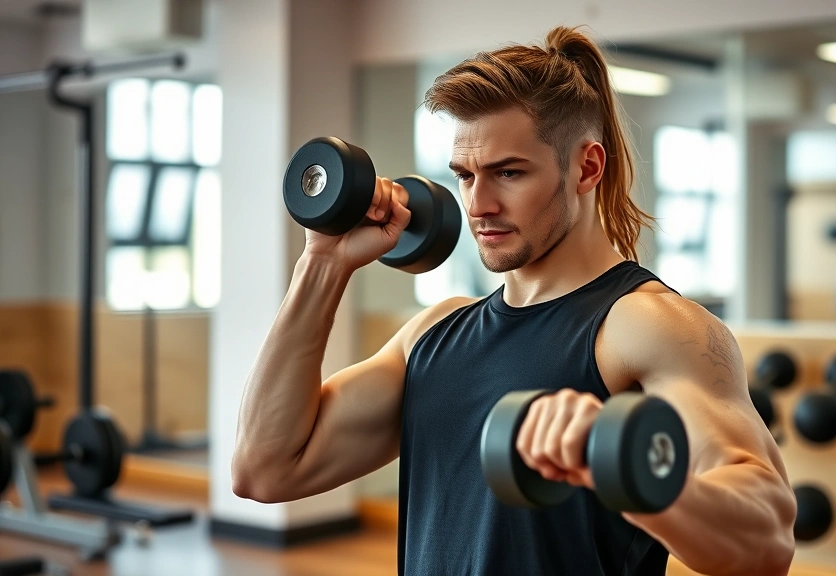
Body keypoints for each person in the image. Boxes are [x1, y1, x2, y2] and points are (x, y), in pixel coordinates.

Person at [232, 26, 796, 576]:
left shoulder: (646, 327)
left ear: (586, 167)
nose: (478, 205)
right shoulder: (435, 333)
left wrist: (626, 467)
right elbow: (264, 470)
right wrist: (323, 263)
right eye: (464, 175)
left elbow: (767, 537)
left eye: (507, 173)